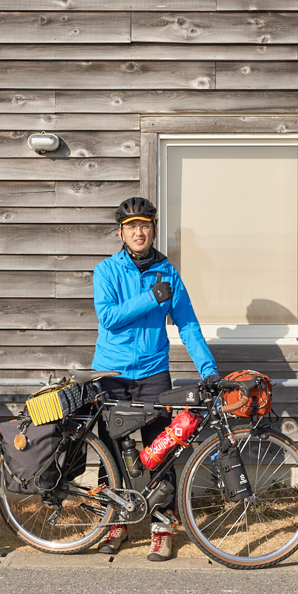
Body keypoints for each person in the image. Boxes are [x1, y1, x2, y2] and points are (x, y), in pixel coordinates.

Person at [91, 197, 219, 562]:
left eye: (144, 225)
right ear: (121, 232)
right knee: (111, 452)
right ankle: (113, 521)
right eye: (131, 226)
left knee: (163, 448)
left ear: (153, 230)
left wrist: (208, 370)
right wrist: (151, 298)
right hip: (112, 374)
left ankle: (163, 526)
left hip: (153, 373)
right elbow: (110, 318)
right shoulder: (106, 270)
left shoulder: (169, 273)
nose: (138, 231)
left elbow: (188, 325)